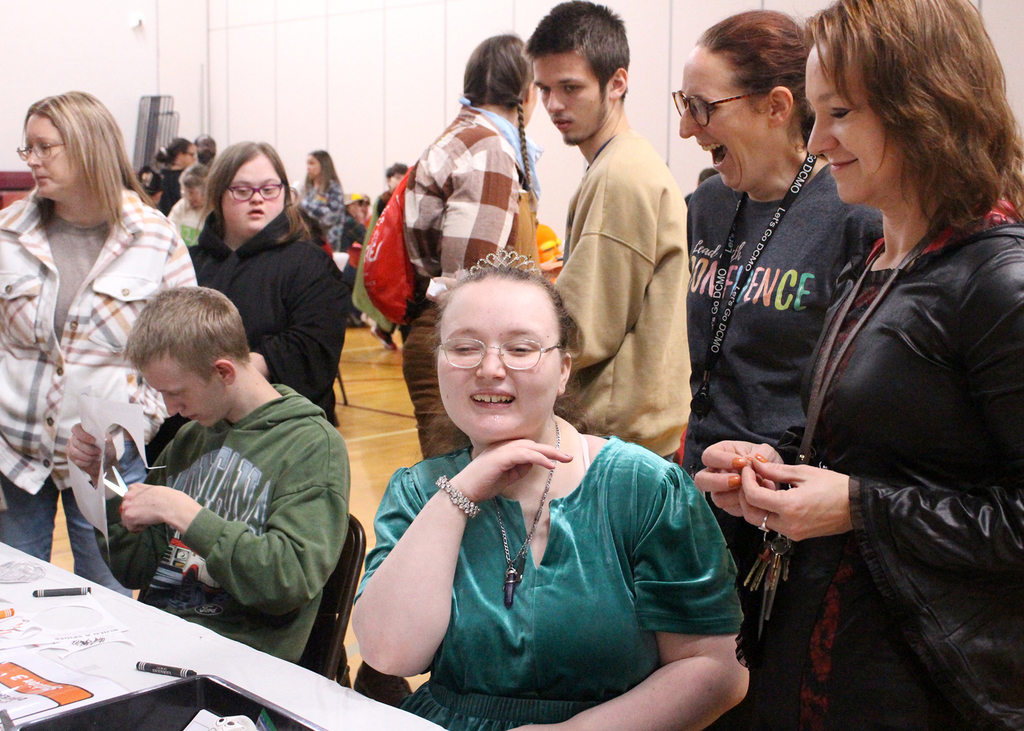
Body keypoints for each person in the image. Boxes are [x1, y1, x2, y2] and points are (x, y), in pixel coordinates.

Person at [697, 0, 1024, 727]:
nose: (816, 140)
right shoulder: (877, 261)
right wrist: (773, 467)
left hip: (927, 685)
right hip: (830, 657)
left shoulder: (998, 281)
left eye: (839, 113)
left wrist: (857, 506)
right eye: (815, 113)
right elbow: (871, 450)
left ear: (924, 104)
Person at [353, 253, 746, 731]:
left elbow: (717, 669)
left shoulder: (643, 488)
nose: (490, 368)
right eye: (463, 348)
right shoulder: (418, 490)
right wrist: (460, 494)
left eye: (520, 349)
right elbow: (390, 654)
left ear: (563, 370)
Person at [68, 286, 349, 663]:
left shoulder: (311, 445)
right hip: (160, 644)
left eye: (176, 393)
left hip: (242, 667)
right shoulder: (190, 438)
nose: (170, 410)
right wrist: (106, 474)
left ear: (223, 371)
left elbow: (287, 580)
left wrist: (187, 515)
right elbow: (134, 568)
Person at [0, 91, 196, 592]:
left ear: (88, 147)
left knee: (107, 594)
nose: (32, 161)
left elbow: (182, 344)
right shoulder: (7, 233)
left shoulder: (155, 237)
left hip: (108, 456)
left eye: (45, 147)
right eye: (28, 149)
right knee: (15, 597)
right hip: (13, 452)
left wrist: (137, 424)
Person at [528, 1, 690, 459]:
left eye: (570, 88)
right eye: (544, 89)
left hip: (617, 440)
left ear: (617, 82)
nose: (554, 104)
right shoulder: (621, 164)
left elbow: (582, 330)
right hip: (626, 434)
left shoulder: (619, 174)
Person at [403, 33, 540, 459]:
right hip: (466, 344)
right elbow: (471, 279)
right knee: (467, 498)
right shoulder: (487, 148)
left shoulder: (462, 138)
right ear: (527, 92)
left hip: (459, 341)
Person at [190, 142, 350, 427]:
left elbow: (313, 349)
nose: (257, 199)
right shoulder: (190, 263)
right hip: (196, 425)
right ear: (218, 195)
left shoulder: (310, 263)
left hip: (284, 430)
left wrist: (224, 377)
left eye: (268, 189)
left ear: (284, 193)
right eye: (242, 190)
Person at [300, 150, 346, 252]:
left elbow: (329, 217)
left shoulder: (333, 188)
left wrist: (304, 206)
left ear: (323, 165)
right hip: (307, 242)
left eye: (312, 163)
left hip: (327, 243)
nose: (308, 167)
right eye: (307, 164)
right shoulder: (306, 189)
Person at [167, 162, 208, 247]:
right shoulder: (181, 207)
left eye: (192, 193)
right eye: (185, 192)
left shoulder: (213, 210)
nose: (188, 197)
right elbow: (168, 232)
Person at [155, 137, 197, 216]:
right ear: (180, 154)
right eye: (191, 154)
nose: (194, 159)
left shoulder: (159, 176)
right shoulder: (186, 180)